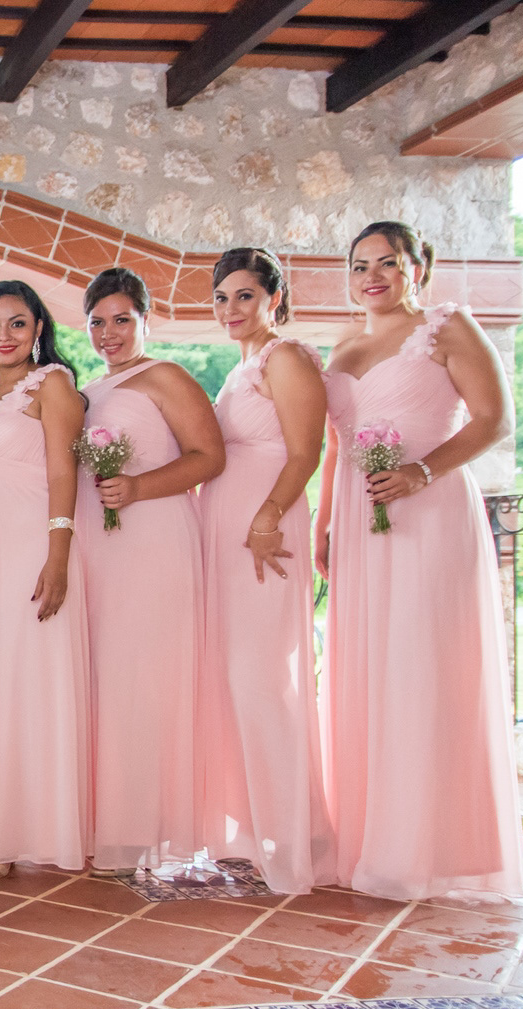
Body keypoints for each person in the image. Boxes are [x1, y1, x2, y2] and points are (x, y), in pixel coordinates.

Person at [318, 221, 523, 899]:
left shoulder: (446, 326)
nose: (372, 275)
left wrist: (422, 473)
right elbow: (332, 443)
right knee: (370, 668)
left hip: (427, 512)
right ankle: (371, 838)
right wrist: (324, 522)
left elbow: (495, 418)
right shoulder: (343, 343)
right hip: (357, 515)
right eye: (359, 265)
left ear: (418, 267)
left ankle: (427, 848)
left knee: (420, 665)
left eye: (388, 263)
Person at [78, 267, 224, 876]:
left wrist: (137, 486)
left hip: (156, 542)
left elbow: (210, 457)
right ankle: (114, 817)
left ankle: (152, 824)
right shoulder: (87, 390)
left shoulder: (165, 376)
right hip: (102, 549)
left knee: (149, 677)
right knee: (110, 680)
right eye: (97, 323)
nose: (108, 333)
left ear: (145, 320)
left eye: (121, 320)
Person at [197, 248, 335, 895]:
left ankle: (295, 834)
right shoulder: (242, 368)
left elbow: (307, 450)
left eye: (244, 296)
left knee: (262, 680)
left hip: (266, 535)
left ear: (274, 298)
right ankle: (251, 829)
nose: (231, 309)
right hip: (227, 540)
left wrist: (268, 515)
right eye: (221, 298)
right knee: (233, 679)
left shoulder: (286, 357)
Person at [0, 281, 90, 879]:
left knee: (35, 678)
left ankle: (46, 828)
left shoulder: (52, 383)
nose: (2, 336)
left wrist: (58, 552)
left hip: (36, 547)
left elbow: (65, 471)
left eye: (15, 323)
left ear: (38, 328)